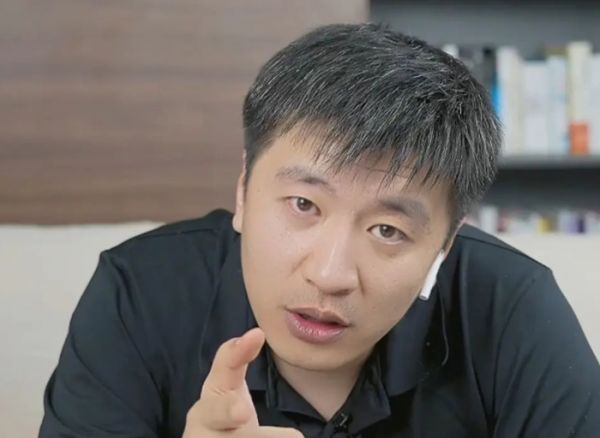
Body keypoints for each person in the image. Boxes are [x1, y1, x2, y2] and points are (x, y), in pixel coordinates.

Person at [39, 23, 600, 438]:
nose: (331, 275)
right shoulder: (139, 292)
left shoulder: (512, 305)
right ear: (243, 191)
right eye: (304, 204)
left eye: (387, 230)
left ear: (444, 245)